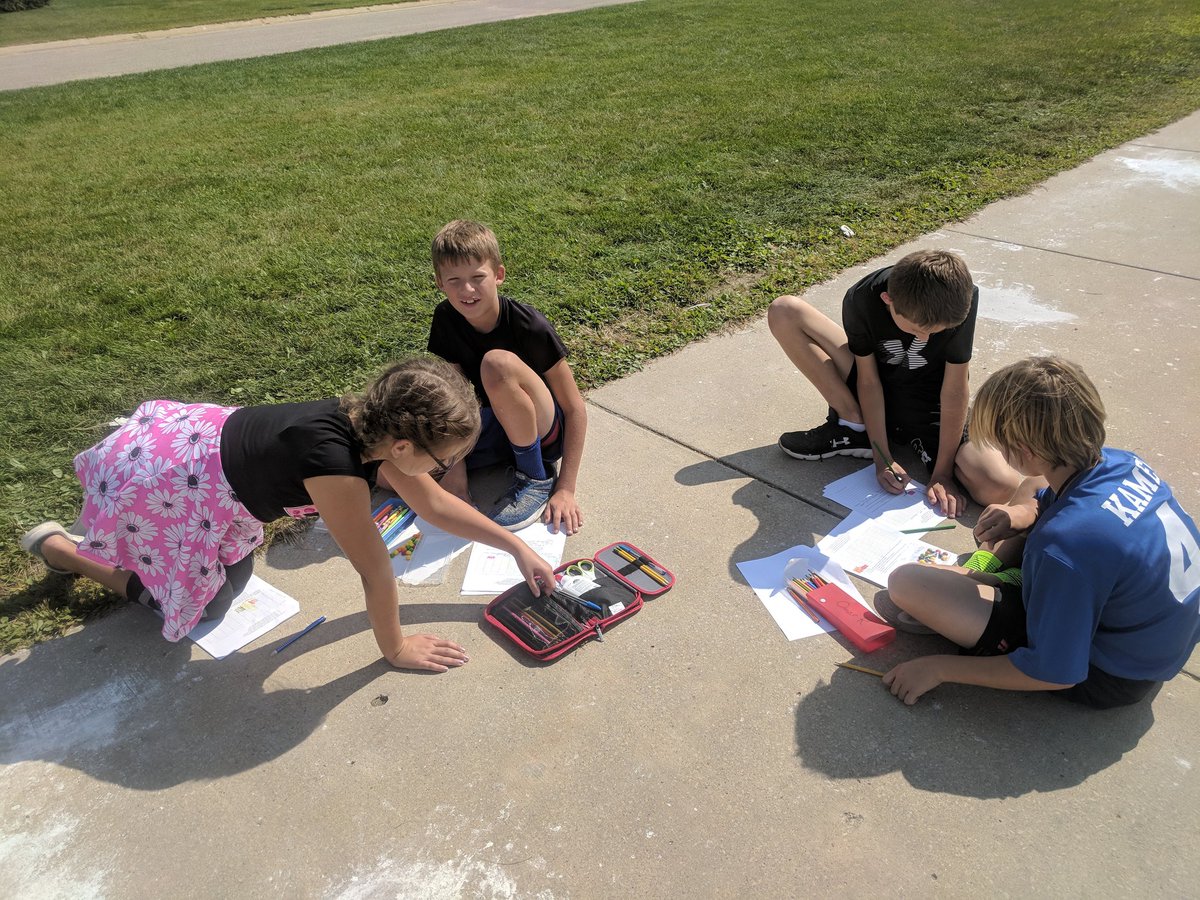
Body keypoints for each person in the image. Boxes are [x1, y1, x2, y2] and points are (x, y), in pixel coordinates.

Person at [19, 357, 556, 672]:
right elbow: (373, 568)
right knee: (207, 609)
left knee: (236, 574)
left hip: (195, 459)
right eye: (445, 460)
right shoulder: (339, 473)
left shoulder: (365, 425)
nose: (448, 469)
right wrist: (394, 647)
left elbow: (436, 504)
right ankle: (64, 551)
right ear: (401, 449)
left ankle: (105, 552)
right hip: (166, 485)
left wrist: (518, 547)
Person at [879, 356, 1200, 708]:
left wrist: (939, 668)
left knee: (906, 583)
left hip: (1109, 674)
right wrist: (1021, 515)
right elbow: (1046, 493)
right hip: (1156, 640)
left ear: (1025, 451)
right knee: (1036, 487)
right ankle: (990, 573)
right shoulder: (1122, 461)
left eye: (1000, 445)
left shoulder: (1063, 546)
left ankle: (1001, 581)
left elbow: (1054, 671)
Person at [768, 249, 1022, 517]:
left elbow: (955, 389)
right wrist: (881, 457)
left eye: (936, 332)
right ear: (887, 300)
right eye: (915, 329)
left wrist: (942, 473)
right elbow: (868, 380)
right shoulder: (862, 298)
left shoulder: (959, 298)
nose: (924, 340)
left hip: (929, 402)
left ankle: (888, 432)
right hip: (877, 380)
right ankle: (855, 424)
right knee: (785, 310)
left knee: (999, 485)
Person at [419, 219, 588, 534]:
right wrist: (456, 469)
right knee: (405, 464)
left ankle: (534, 476)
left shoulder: (529, 326)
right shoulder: (445, 318)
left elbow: (575, 408)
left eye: (477, 277)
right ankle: (491, 460)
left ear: (498, 275)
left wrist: (566, 488)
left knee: (495, 364)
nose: (466, 290)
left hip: (543, 430)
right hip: (495, 422)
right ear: (439, 282)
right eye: (453, 279)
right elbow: (456, 396)